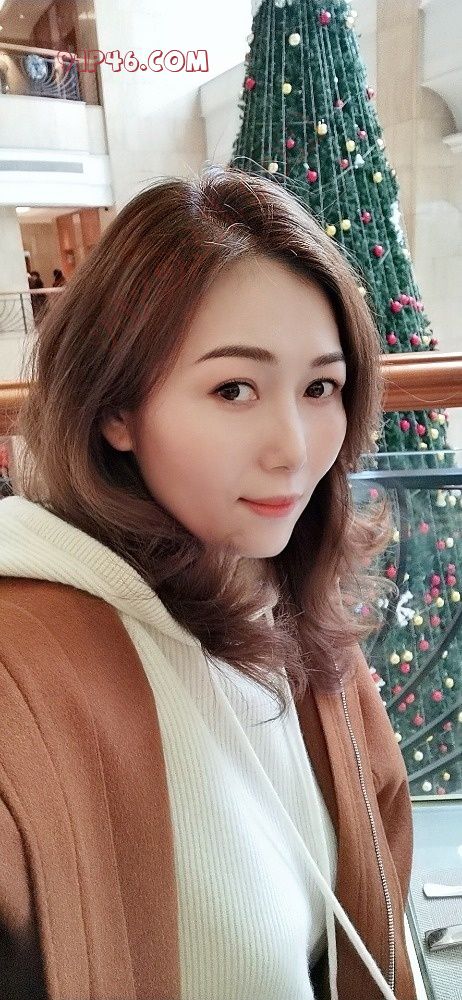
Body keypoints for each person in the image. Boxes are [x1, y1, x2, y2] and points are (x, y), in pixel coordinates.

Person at [0, 166, 417, 1000]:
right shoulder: (24, 668)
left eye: (320, 387)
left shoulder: (294, 619)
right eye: (234, 389)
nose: (293, 447)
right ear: (116, 410)